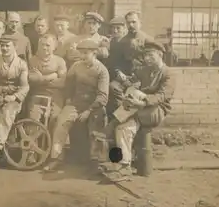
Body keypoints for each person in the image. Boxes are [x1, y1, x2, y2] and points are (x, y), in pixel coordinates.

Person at [110, 39, 175, 181]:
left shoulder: (168, 73)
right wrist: (120, 87)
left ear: (160, 55)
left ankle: (113, 122)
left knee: (137, 94)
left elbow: (162, 96)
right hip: (138, 111)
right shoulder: (144, 70)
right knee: (123, 129)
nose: (147, 58)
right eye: (145, 55)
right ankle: (124, 166)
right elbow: (130, 81)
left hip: (156, 111)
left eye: (151, 55)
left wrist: (141, 102)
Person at [43, 39, 109, 172]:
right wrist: (68, 100)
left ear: (94, 53)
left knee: (96, 126)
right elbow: (68, 84)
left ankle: (96, 161)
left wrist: (88, 111)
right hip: (76, 103)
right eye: (81, 53)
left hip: (94, 106)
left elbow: (103, 96)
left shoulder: (102, 70)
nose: (83, 56)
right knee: (61, 123)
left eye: (86, 53)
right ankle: (56, 158)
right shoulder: (76, 66)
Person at [0, 34, 29, 163]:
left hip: (15, 100)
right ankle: (2, 151)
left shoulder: (21, 64)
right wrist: (4, 91)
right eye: (2, 46)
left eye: (7, 46)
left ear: (14, 46)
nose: (4, 48)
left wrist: (14, 96)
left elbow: (25, 87)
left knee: (8, 110)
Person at [108, 11, 155, 114]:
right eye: (128, 23)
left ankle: (129, 114)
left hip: (143, 78)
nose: (131, 25)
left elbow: (153, 63)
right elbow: (117, 61)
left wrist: (140, 76)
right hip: (126, 77)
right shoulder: (122, 41)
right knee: (113, 87)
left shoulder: (148, 40)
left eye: (134, 22)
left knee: (135, 94)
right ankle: (123, 111)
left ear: (140, 22)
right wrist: (119, 72)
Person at [27, 34, 67, 128]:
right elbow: (31, 80)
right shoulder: (33, 60)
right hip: (37, 95)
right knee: (33, 119)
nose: (44, 48)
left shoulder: (59, 61)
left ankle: (53, 142)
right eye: (42, 45)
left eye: (48, 45)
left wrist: (40, 79)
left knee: (56, 118)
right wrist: (51, 76)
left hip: (55, 96)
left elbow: (62, 83)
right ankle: (33, 142)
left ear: (54, 47)